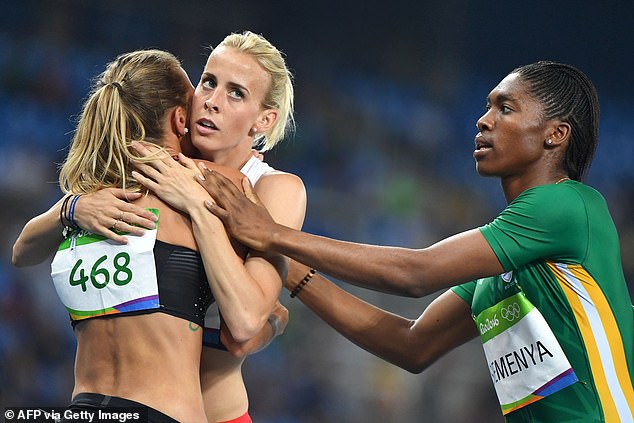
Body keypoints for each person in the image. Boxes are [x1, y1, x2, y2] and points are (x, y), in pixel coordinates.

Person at [189, 61, 634, 422]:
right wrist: (290, 267)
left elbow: (415, 273)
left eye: (506, 109)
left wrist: (273, 234)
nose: (483, 120)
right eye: (487, 107)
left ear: (555, 134)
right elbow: (412, 345)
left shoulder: (569, 205)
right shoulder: (501, 269)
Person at [12, 31, 306, 423]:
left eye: (236, 93)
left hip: (217, 413)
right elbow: (22, 250)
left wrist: (263, 329)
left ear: (264, 119)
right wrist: (73, 206)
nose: (213, 102)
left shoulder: (269, 188)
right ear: (180, 113)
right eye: (208, 82)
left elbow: (242, 333)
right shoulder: (151, 165)